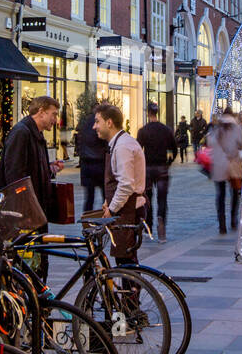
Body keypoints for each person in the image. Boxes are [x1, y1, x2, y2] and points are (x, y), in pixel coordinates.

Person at [0, 96, 66, 275]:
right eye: (53, 114)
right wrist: (24, 211)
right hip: (24, 214)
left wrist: (49, 169)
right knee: (27, 262)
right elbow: (14, 175)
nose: (55, 119)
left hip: (34, 210)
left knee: (35, 261)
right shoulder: (22, 132)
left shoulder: (35, 134)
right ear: (41, 112)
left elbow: (30, 170)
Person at [94, 102, 146, 264]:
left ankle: (131, 288)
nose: (94, 126)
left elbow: (126, 184)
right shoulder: (120, 144)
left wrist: (112, 208)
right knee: (124, 260)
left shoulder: (123, 146)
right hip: (125, 209)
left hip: (128, 211)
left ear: (109, 123)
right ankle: (129, 287)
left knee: (126, 261)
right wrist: (107, 201)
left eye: (97, 121)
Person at [137, 101, 177, 242]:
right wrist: (168, 162)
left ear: (148, 114)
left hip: (147, 169)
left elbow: (137, 151)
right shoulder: (166, 130)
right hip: (162, 168)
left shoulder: (143, 131)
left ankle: (148, 227)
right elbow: (174, 148)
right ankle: (161, 227)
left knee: (147, 198)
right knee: (162, 199)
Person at [207, 108, 242, 235]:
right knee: (234, 193)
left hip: (218, 165)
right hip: (233, 164)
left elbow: (210, 143)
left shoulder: (216, 128)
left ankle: (222, 225)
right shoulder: (237, 128)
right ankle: (233, 221)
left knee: (220, 195)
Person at [73, 104, 107, 212]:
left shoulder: (86, 122)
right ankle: (107, 222)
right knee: (106, 197)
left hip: (87, 164)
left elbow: (79, 138)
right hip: (100, 163)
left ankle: (86, 223)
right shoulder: (101, 123)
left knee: (89, 198)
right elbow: (104, 142)